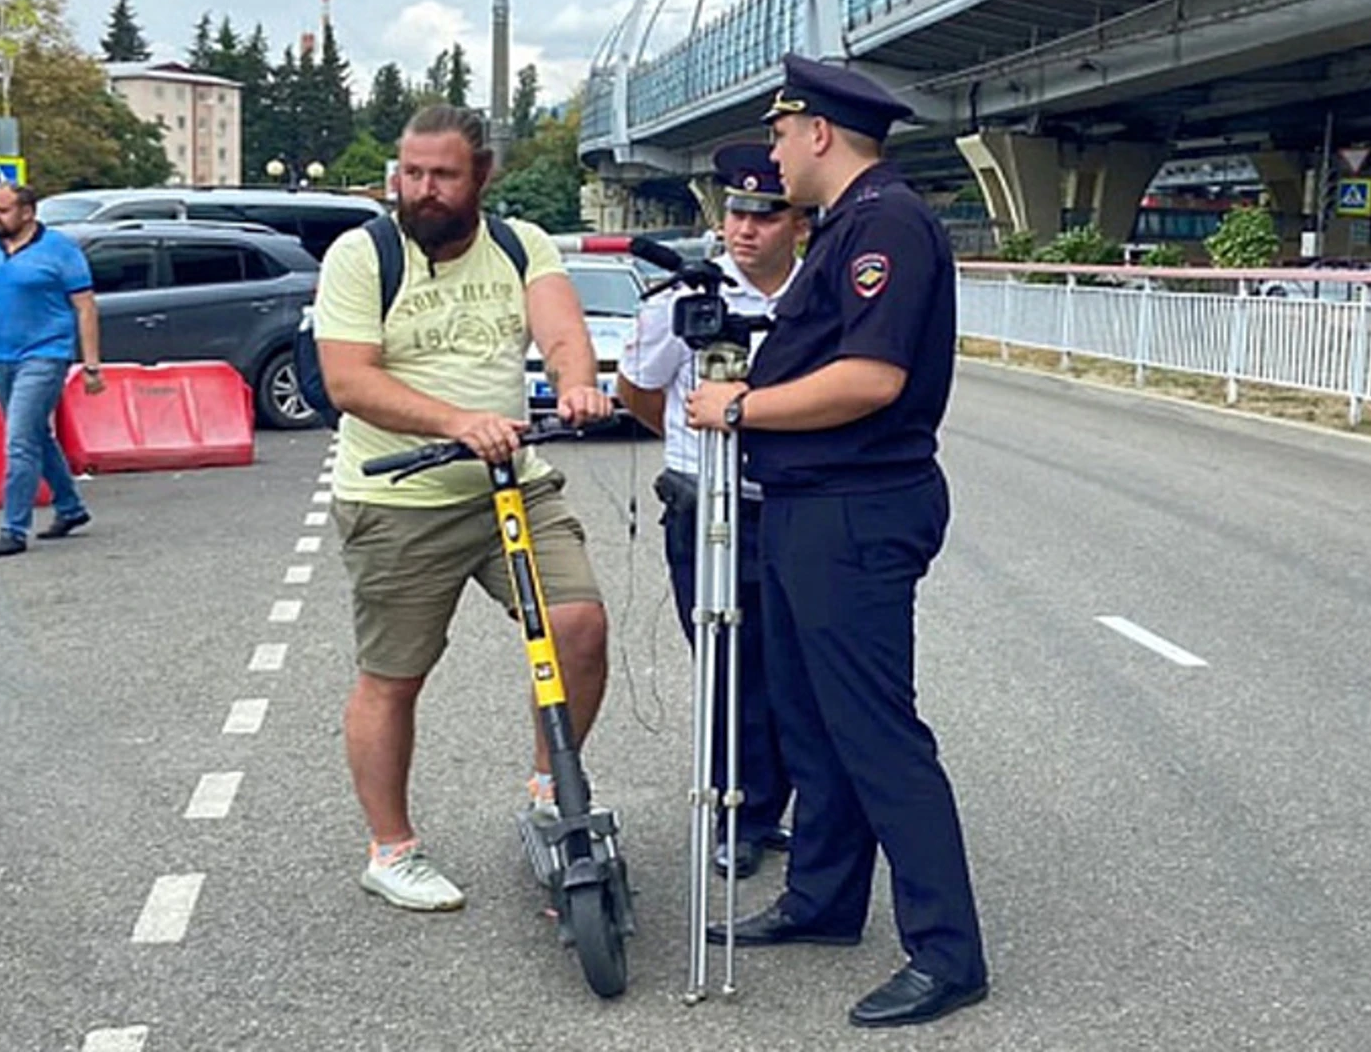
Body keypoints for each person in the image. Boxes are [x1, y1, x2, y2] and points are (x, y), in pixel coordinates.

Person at [685, 54, 991, 1028]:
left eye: (780, 134)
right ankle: (822, 902)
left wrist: (741, 405)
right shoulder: (851, 227)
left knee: (876, 735)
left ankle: (949, 955)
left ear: (818, 133)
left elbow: (871, 381)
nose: (774, 153)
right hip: (814, 506)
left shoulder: (885, 224)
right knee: (811, 722)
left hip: (857, 510)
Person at [314, 105, 616, 912]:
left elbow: (560, 330)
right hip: (399, 494)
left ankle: (553, 792)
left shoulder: (520, 245)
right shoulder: (361, 255)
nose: (423, 189)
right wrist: (456, 422)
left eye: (443, 174)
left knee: (579, 625)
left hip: (511, 482)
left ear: (482, 175)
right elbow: (348, 380)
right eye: (411, 173)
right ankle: (392, 849)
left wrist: (578, 379)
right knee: (395, 676)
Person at [617, 143, 804, 880]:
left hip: (789, 502)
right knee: (730, 666)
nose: (746, 229)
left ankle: (777, 805)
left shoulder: (813, 298)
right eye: (736, 212)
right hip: (706, 507)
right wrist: (688, 450)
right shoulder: (681, 302)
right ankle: (739, 813)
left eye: (765, 214)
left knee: (793, 665)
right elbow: (636, 390)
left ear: (798, 224)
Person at [0, 184, 104, 559]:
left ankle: (13, 529)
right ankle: (71, 508)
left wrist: (92, 365)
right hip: (3, 357)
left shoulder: (60, 249)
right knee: (36, 436)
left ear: (27, 212)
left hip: (46, 355)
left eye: (3, 210)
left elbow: (86, 307)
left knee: (19, 440)